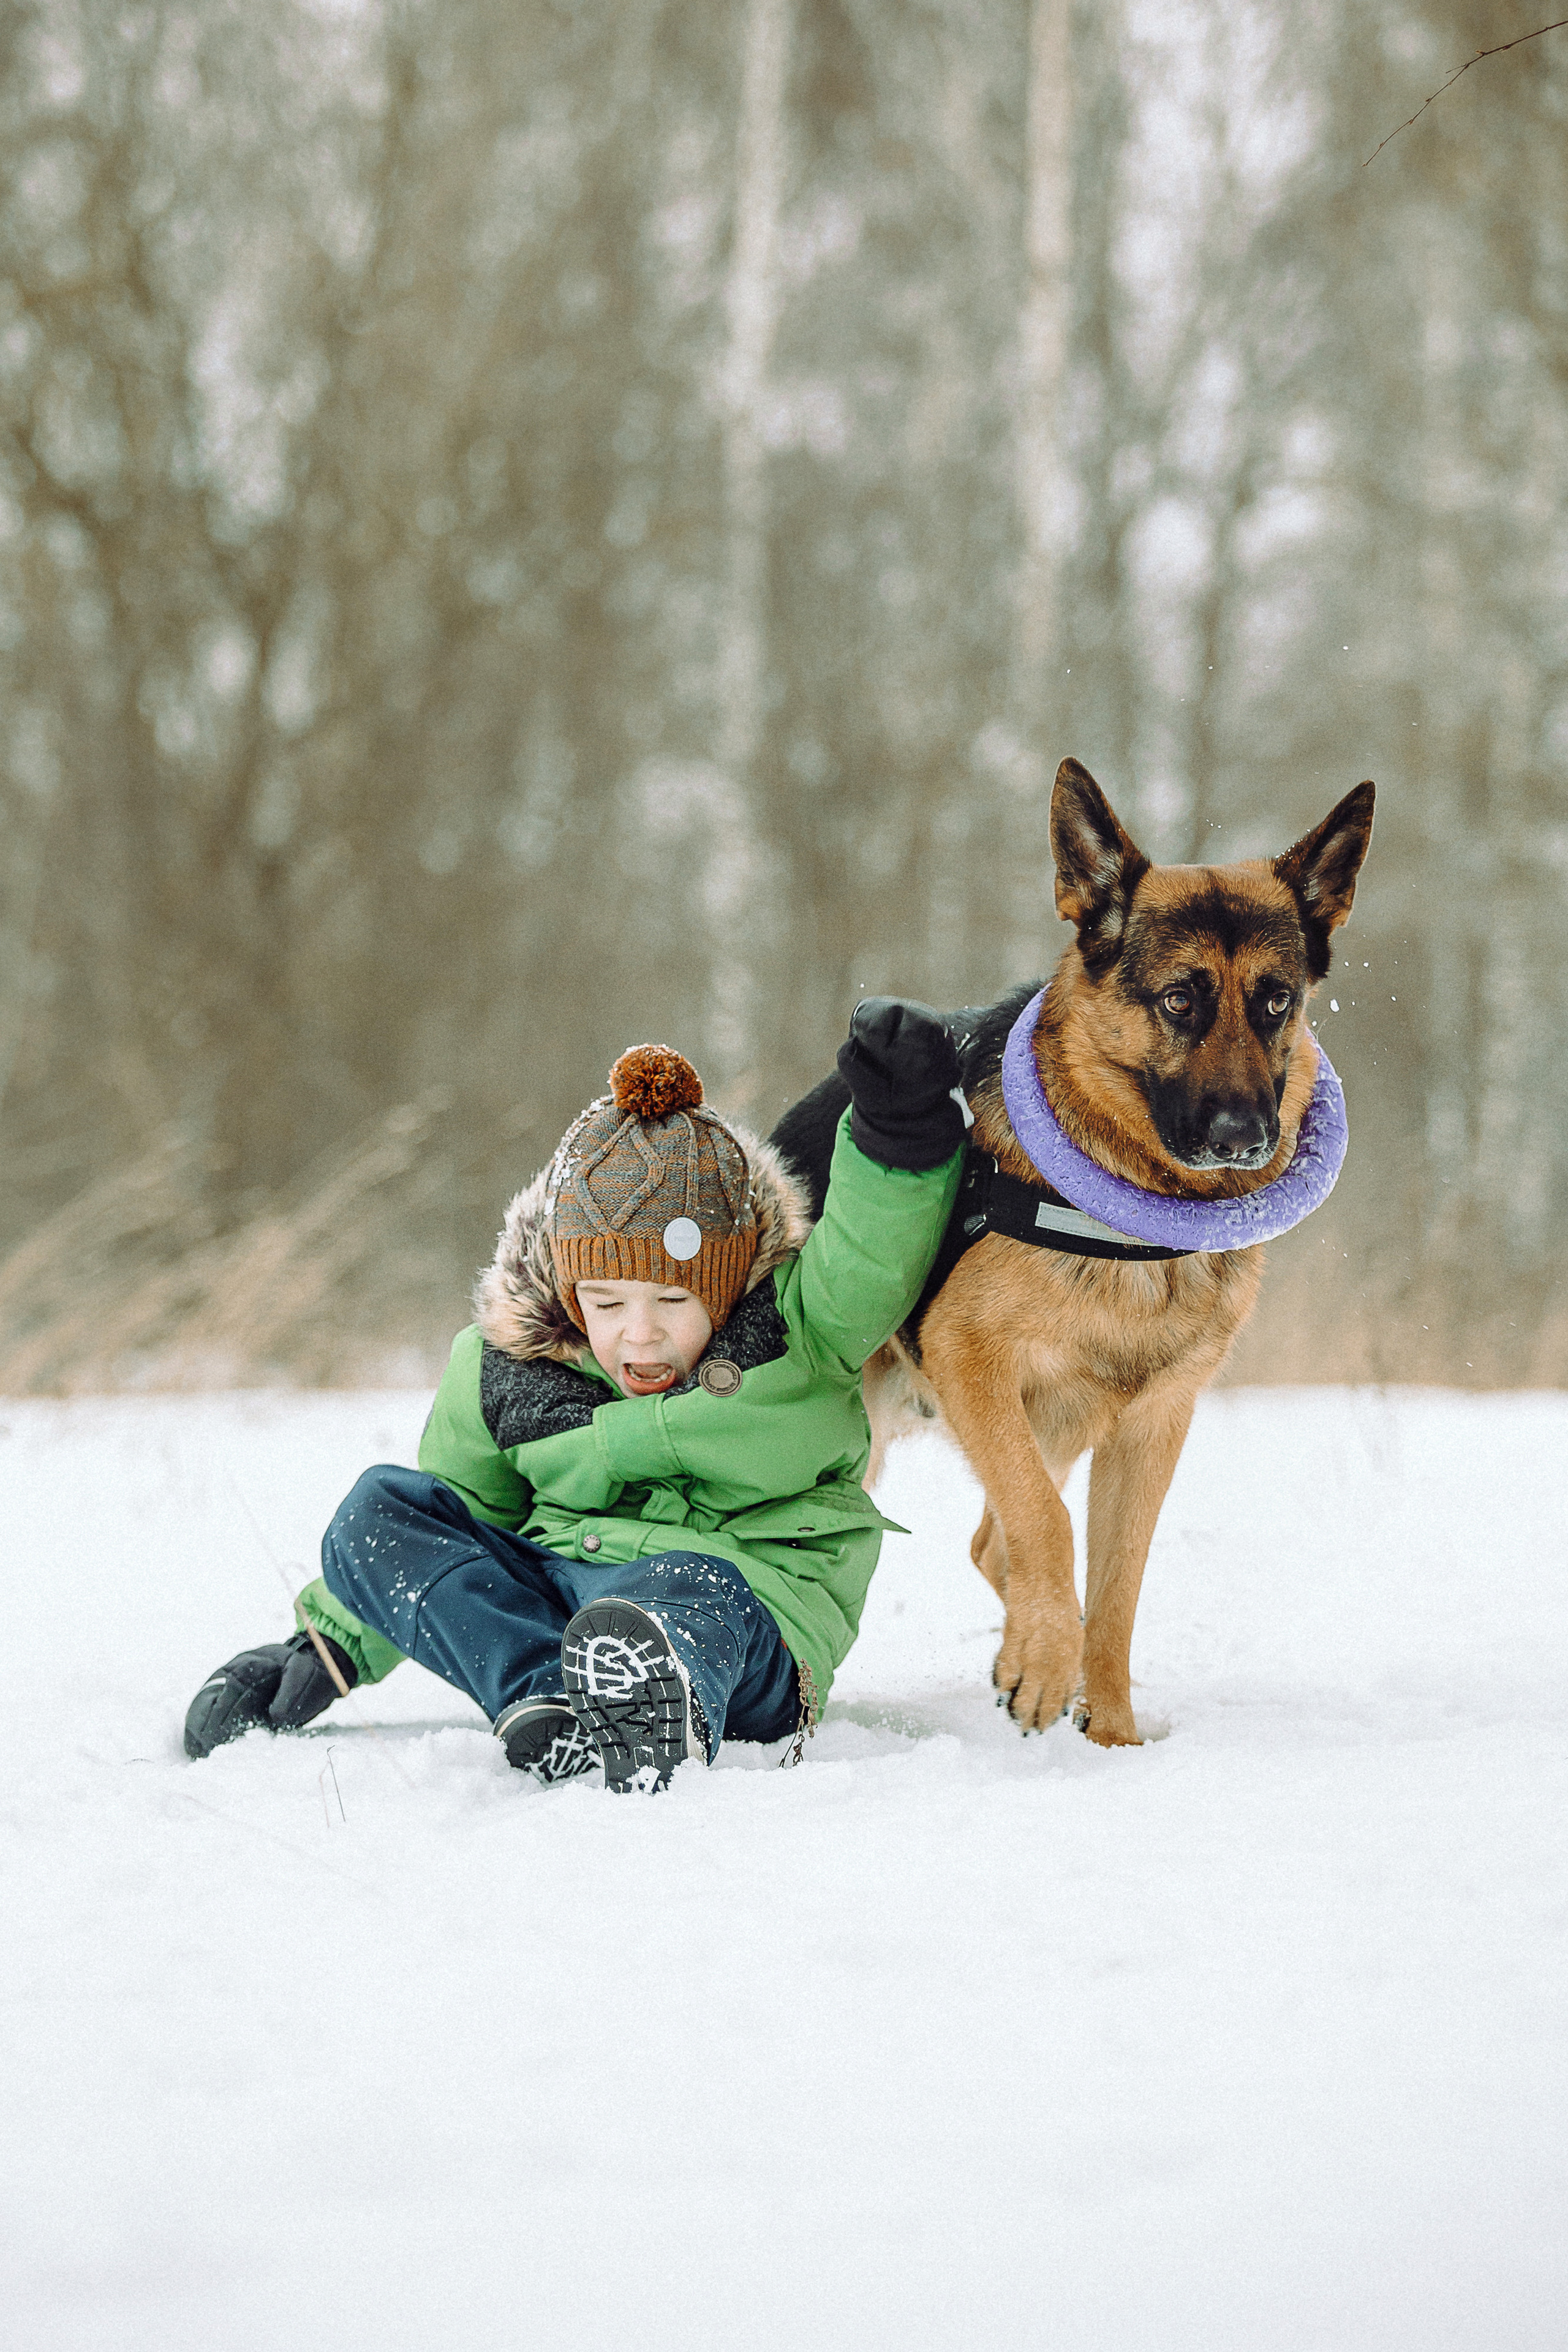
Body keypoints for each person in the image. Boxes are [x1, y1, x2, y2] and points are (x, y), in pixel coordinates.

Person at [183, 1001, 967, 1792]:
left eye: (673, 1303)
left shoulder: (801, 1325)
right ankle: (546, 1695)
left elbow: (874, 1251)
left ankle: (662, 1695)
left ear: (729, 1286)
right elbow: (462, 1511)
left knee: (687, 1587)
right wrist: (327, 1647)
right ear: (566, 1288)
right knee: (383, 1510)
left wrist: (900, 1127)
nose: (639, 1337)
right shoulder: (503, 1368)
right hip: (560, 1600)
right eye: (608, 1303)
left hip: (747, 1611)